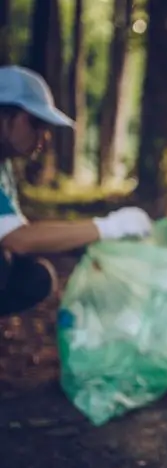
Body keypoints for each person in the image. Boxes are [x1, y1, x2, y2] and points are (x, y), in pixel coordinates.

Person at [0, 65, 152, 318]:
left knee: (32, 276)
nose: (44, 137)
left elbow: (19, 230)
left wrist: (90, 245)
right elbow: (18, 240)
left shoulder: (4, 165)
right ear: (4, 117)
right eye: (36, 123)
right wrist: (108, 227)